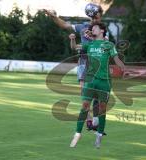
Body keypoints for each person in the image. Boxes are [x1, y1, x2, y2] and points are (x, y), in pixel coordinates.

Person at [44, 3, 106, 131]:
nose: (97, 19)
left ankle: (95, 119)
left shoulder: (102, 31)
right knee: (85, 94)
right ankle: (90, 121)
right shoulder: (82, 27)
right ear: (92, 16)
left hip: (96, 64)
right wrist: (53, 17)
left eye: (98, 17)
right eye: (95, 17)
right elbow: (65, 25)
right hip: (83, 62)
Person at [69, 22, 125, 148]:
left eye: (94, 28)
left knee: (102, 110)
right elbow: (74, 48)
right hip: (90, 80)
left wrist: (124, 68)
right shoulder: (89, 44)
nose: (92, 29)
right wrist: (72, 39)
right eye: (91, 28)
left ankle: (99, 135)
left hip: (104, 81)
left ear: (102, 31)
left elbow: (116, 59)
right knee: (84, 107)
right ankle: (77, 134)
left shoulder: (109, 45)